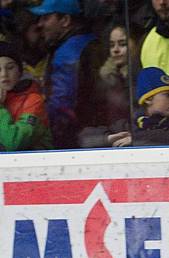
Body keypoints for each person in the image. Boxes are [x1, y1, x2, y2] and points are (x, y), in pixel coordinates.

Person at [30, 0, 105, 149]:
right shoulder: (86, 43)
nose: (40, 24)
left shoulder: (69, 52)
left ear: (65, 20)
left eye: (46, 18)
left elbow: (62, 107)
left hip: (73, 140)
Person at [79, 21, 142, 147]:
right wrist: (107, 138)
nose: (116, 50)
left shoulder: (142, 79)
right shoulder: (104, 81)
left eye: (122, 44)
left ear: (138, 45)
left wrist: (136, 137)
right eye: (112, 45)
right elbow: (86, 132)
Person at [0, 42, 52, 151]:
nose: (4, 74)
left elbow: (15, 142)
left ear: (19, 71)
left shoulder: (34, 100)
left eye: (10, 68)